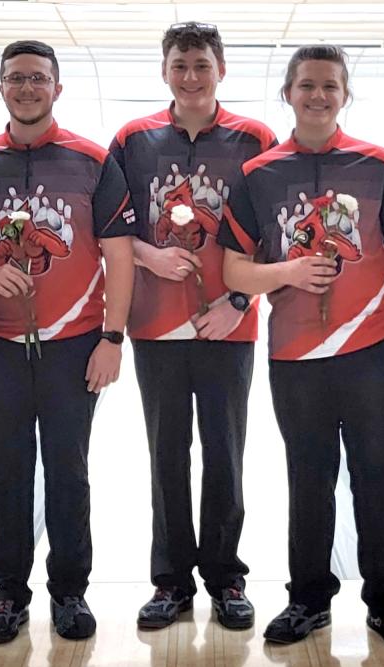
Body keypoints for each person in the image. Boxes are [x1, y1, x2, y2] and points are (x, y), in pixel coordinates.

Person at [218, 44, 384, 648]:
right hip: (297, 357)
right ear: (288, 93)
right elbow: (235, 271)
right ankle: (309, 599)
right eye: (306, 85)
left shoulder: (380, 164)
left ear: (344, 95)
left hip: (375, 353)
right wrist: (285, 273)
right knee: (308, 479)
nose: (318, 95)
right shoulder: (258, 175)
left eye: (330, 86)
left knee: (379, 477)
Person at [0, 40, 135, 644]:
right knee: (5, 471)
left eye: (38, 79)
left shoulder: (92, 160)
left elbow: (119, 255)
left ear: (57, 88)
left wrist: (112, 337)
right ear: (1, 87)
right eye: (16, 78)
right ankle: (7, 596)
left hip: (75, 344)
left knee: (68, 469)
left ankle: (70, 593)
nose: (27, 88)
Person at [108, 21, 276, 631]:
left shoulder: (255, 137)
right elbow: (113, 224)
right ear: (165, 72)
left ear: (221, 70)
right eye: (180, 65)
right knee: (166, 457)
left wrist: (236, 299)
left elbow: (271, 231)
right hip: (155, 324)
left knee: (225, 456)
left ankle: (226, 577)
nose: (190, 76)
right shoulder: (133, 138)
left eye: (201, 65)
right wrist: (150, 256)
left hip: (229, 323)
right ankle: (172, 582)